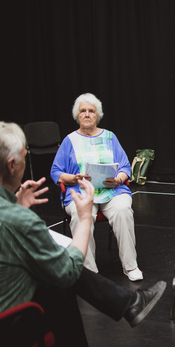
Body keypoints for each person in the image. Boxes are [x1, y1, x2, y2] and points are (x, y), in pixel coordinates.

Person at [0, 121, 166, 347]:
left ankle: (126, 308)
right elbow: (67, 272)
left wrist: (14, 204)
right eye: (24, 156)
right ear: (11, 166)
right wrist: (84, 218)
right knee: (58, 282)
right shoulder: (16, 220)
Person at [51, 93, 143, 281]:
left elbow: (125, 167)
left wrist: (118, 179)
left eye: (91, 111)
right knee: (80, 214)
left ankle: (131, 266)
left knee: (123, 210)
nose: (86, 114)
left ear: (97, 115)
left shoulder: (110, 137)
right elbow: (56, 172)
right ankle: (90, 273)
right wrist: (74, 178)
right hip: (81, 191)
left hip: (112, 190)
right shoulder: (69, 141)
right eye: (82, 111)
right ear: (77, 115)